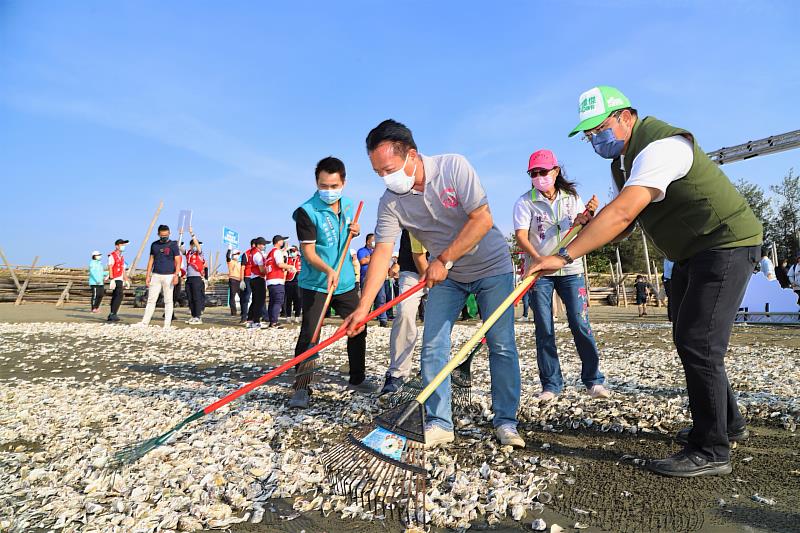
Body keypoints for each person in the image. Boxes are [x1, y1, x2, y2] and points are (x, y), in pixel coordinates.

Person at [531, 86, 762, 477]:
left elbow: (622, 213)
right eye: (587, 134)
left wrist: (564, 256)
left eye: (599, 128)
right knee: (691, 338)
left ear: (625, 116)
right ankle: (728, 421)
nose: (594, 139)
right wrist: (592, 225)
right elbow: (625, 222)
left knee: (698, 341)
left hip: (725, 242)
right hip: (691, 252)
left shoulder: (660, 147)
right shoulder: (623, 163)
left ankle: (711, 448)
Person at [343, 119, 525, 449]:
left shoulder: (453, 167)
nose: (386, 178)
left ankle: (506, 420)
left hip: (492, 268)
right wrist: (363, 307)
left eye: (389, 169)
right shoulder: (390, 202)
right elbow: (383, 253)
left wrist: (444, 259)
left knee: (500, 344)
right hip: (449, 279)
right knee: (433, 345)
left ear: (411, 155)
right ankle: (440, 421)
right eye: (378, 172)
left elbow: (482, 219)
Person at [512, 149, 608, 401]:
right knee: (544, 328)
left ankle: (593, 379)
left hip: (570, 269)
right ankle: (551, 384)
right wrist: (539, 258)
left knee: (580, 323)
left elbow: (579, 226)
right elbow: (521, 235)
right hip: (540, 272)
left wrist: (586, 217)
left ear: (555, 171)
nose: (539, 177)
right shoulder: (525, 201)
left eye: (543, 172)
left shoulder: (571, 197)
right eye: (534, 173)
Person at [288, 156, 372, 409]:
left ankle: (357, 379)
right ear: (317, 182)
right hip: (316, 282)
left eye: (334, 186)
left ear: (343, 183)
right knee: (310, 334)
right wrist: (327, 270)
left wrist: (354, 231)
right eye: (324, 186)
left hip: (345, 281)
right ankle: (302, 387)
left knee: (358, 327)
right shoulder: (306, 211)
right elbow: (309, 253)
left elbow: (346, 237)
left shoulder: (348, 205)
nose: (329, 191)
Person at [380, 229, 428, 395]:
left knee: (437, 319)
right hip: (412, 270)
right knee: (404, 313)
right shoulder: (412, 212)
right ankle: (397, 373)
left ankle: (431, 370)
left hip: (442, 270)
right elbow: (417, 254)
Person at [137, 225, 181, 328]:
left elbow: (178, 261)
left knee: (168, 300)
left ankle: (167, 324)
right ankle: (145, 322)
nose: (164, 237)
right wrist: (147, 276)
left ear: (169, 233)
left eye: (166, 235)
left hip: (169, 276)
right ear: (158, 234)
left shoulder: (173, 245)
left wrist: (176, 275)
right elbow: (151, 260)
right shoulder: (154, 245)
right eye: (162, 235)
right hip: (156, 275)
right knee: (151, 299)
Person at [357, 234, 389, 327]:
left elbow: (383, 260)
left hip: (379, 277)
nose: (375, 241)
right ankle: (364, 319)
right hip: (366, 278)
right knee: (366, 298)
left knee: (381, 298)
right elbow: (362, 261)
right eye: (373, 240)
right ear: (368, 241)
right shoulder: (362, 251)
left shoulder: (378, 251)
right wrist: (373, 257)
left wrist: (369, 258)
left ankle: (383, 319)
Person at [265, 234, 295, 328]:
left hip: (270, 280)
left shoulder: (270, 253)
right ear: (278, 242)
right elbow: (280, 264)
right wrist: (290, 267)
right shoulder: (277, 252)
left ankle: (271, 321)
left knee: (273, 301)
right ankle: (274, 322)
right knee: (278, 301)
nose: (283, 242)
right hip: (277, 280)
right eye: (282, 241)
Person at [181, 227, 206, 325]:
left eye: (195, 245)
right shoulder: (188, 253)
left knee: (197, 297)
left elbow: (198, 246)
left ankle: (198, 317)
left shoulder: (199, 254)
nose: (195, 246)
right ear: (190, 246)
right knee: (190, 298)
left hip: (197, 278)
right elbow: (179, 247)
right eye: (193, 245)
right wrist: (181, 234)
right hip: (189, 278)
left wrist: (192, 233)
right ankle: (193, 316)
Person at [245, 237, 269, 329]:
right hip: (258, 278)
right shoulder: (258, 254)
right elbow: (261, 269)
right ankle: (256, 321)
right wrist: (268, 271)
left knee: (255, 301)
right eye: (263, 244)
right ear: (259, 245)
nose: (264, 246)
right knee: (260, 301)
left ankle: (250, 320)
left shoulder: (252, 253)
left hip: (253, 279)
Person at [106, 239, 129, 322]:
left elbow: (123, 269)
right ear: (117, 246)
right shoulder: (112, 255)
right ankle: (113, 313)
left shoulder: (121, 257)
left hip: (120, 277)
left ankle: (113, 313)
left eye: (124, 245)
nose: (123, 246)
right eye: (121, 245)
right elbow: (110, 267)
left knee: (117, 295)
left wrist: (126, 279)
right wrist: (111, 279)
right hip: (115, 278)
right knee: (118, 295)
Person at [283, 245, 302, 323]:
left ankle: (297, 316)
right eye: (291, 251)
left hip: (298, 281)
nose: (292, 253)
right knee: (288, 299)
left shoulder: (301, 259)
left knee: (298, 299)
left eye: (294, 251)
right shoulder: (287, 259)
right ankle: (288, 316)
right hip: (288, 281)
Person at [239, 239, 256, 324]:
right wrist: (242, 280)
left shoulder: (259, 254)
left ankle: (259, 316)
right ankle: (244, 317)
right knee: (246, 297)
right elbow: (242, 267)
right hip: (247, 278)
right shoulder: (246, 254)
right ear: (253, 245)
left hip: (256, 278)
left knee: (258, 298)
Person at [226, 248, 242, 316]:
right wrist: (229, 250)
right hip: (233, 280)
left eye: (239, 254)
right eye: (237, 254)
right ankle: (233, 312)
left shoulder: (240, 263)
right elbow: (227, 257)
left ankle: (243, 311)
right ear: (233, 255)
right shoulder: (230, 262)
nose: (238, 255)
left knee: (242, 296)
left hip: (240, 280)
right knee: (232, 297)